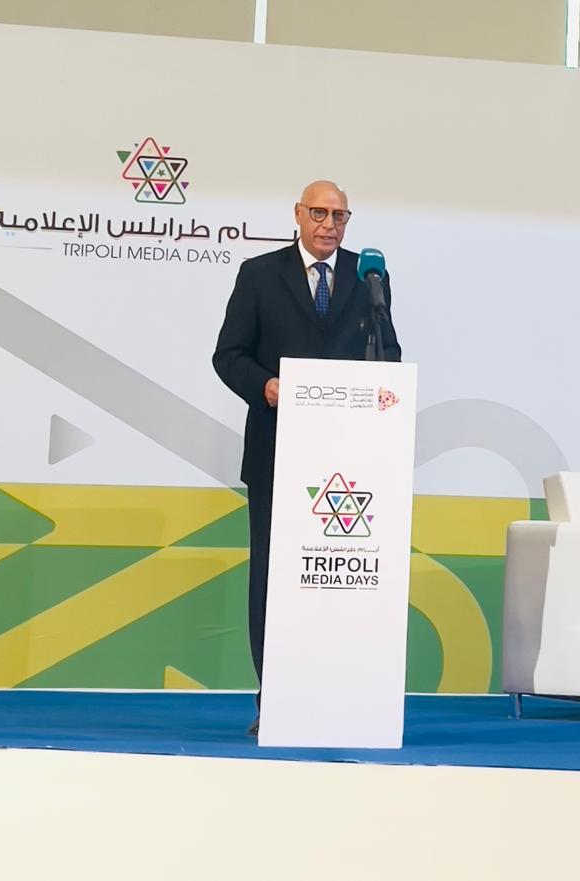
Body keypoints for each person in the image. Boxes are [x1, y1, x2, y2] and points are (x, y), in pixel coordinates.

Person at [212, 180, 402, 734]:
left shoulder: (370, 277)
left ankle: (341, 695)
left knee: (338, 580)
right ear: (297, 214)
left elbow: (389, 353)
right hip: (277, 453)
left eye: (340, 216)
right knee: (273, 578)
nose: (329, 225)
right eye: (319, 213)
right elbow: (228, 355)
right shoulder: (259, 274)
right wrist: (267, 386)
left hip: (350, 459)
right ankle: (274, 697)